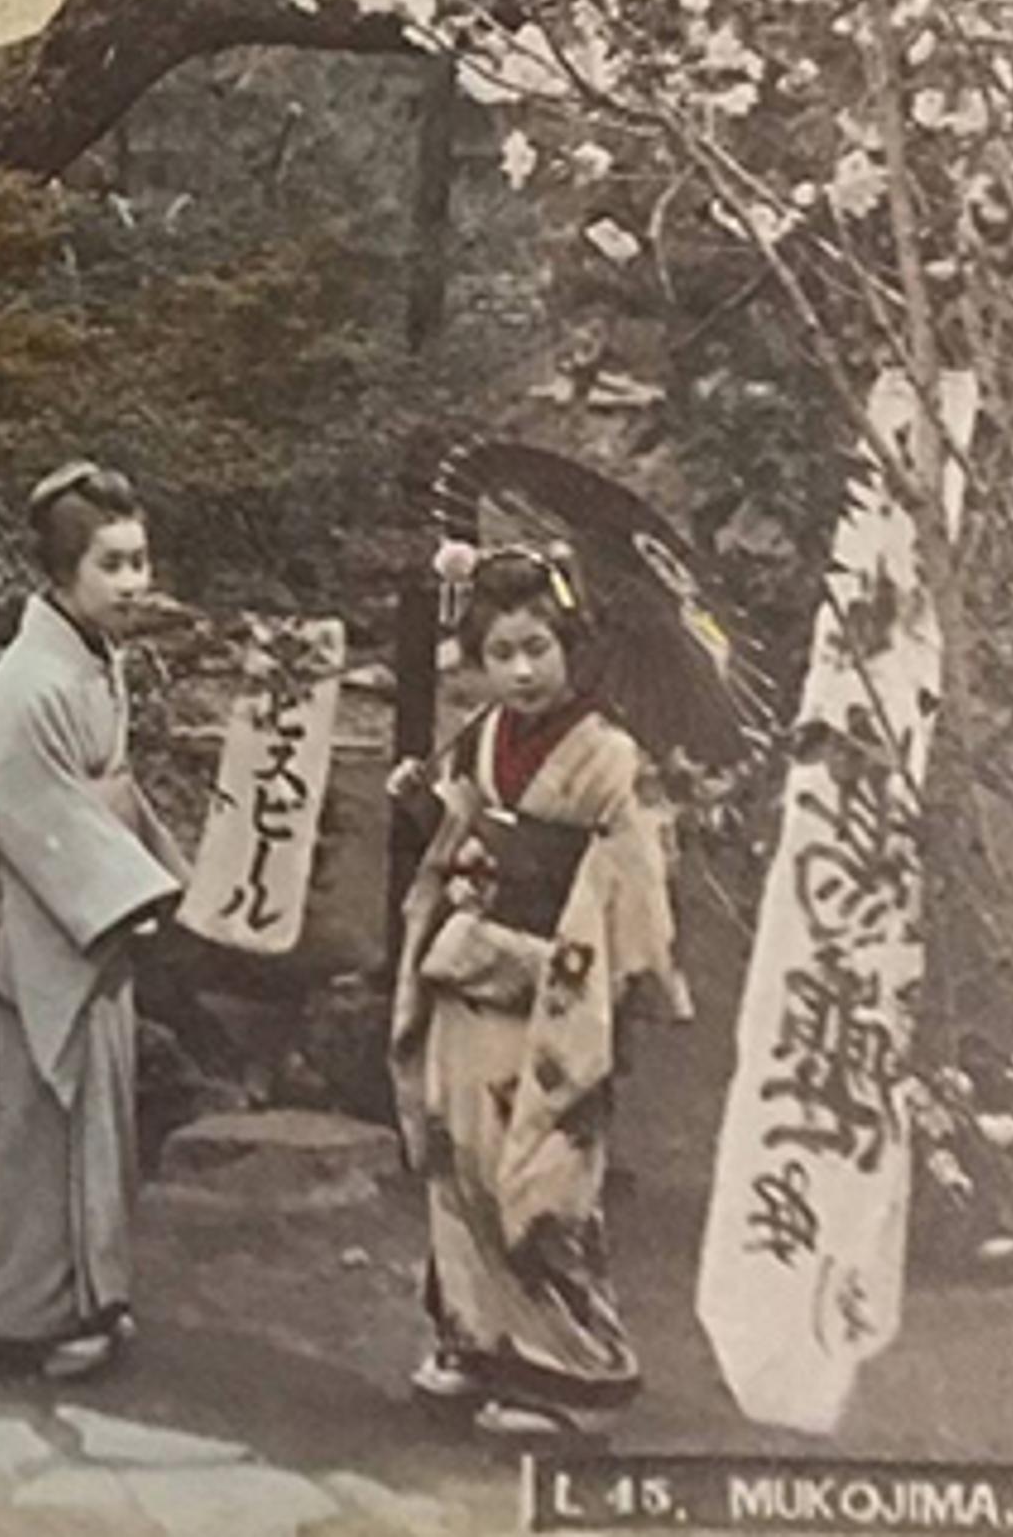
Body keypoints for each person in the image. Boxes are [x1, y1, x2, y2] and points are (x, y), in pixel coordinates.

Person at [387, 549, 689, 1440]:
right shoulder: (482, 736)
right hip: (470, 976)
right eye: (501, 653)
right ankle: (475, 1341)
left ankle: (572, 1368)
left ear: (571, 649)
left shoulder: (610, 755)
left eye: (539, 650)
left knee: (542, 1175)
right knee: (462, 1158)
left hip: (557, 982)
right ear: (478, 661)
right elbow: (457, 824)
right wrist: (434, 814)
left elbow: (636, 876)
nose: (521, 671)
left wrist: (532, 871)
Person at [0, 459, 191, 1381]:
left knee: (100, 1116)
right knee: (46, 1122)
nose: (134, 581)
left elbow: (109, 795)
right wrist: (124, 893)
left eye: (140, 560)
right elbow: (25, 811)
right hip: (49, 917)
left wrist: (139, 881)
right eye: (113, 564)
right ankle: (22, 1314)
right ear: (63, 573)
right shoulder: (28, 680)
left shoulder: (95, 659)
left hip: (94, 908)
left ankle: (93, 1294)